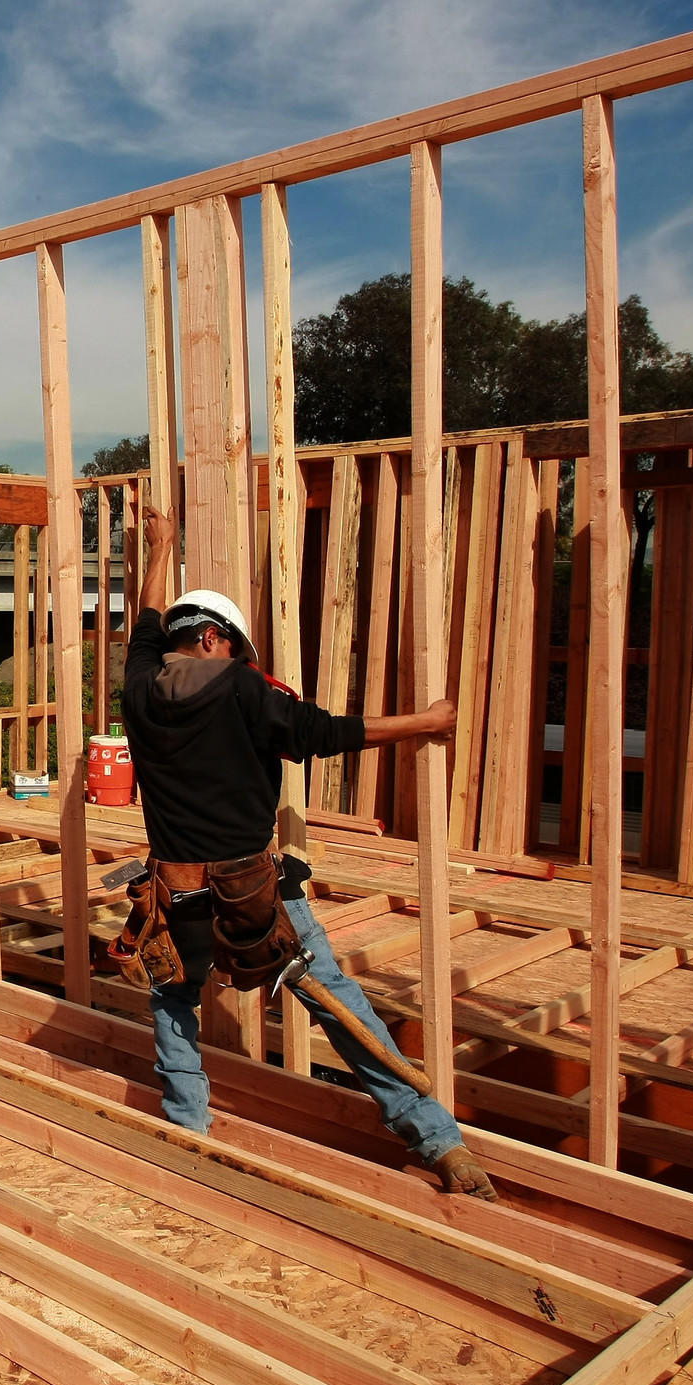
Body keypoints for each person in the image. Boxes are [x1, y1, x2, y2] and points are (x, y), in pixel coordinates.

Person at [119, 509, 497, 1200]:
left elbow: (143, 616)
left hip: (174, 892)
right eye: (237, 646)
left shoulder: (139, 685)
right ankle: (440, 1142)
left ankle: (188, 1127)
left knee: (174, 998)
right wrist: (427, 722)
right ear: (214, 639)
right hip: (251, 892)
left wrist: (162, 546)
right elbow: (326, 732)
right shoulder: (240, 688)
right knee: (336, 1000)